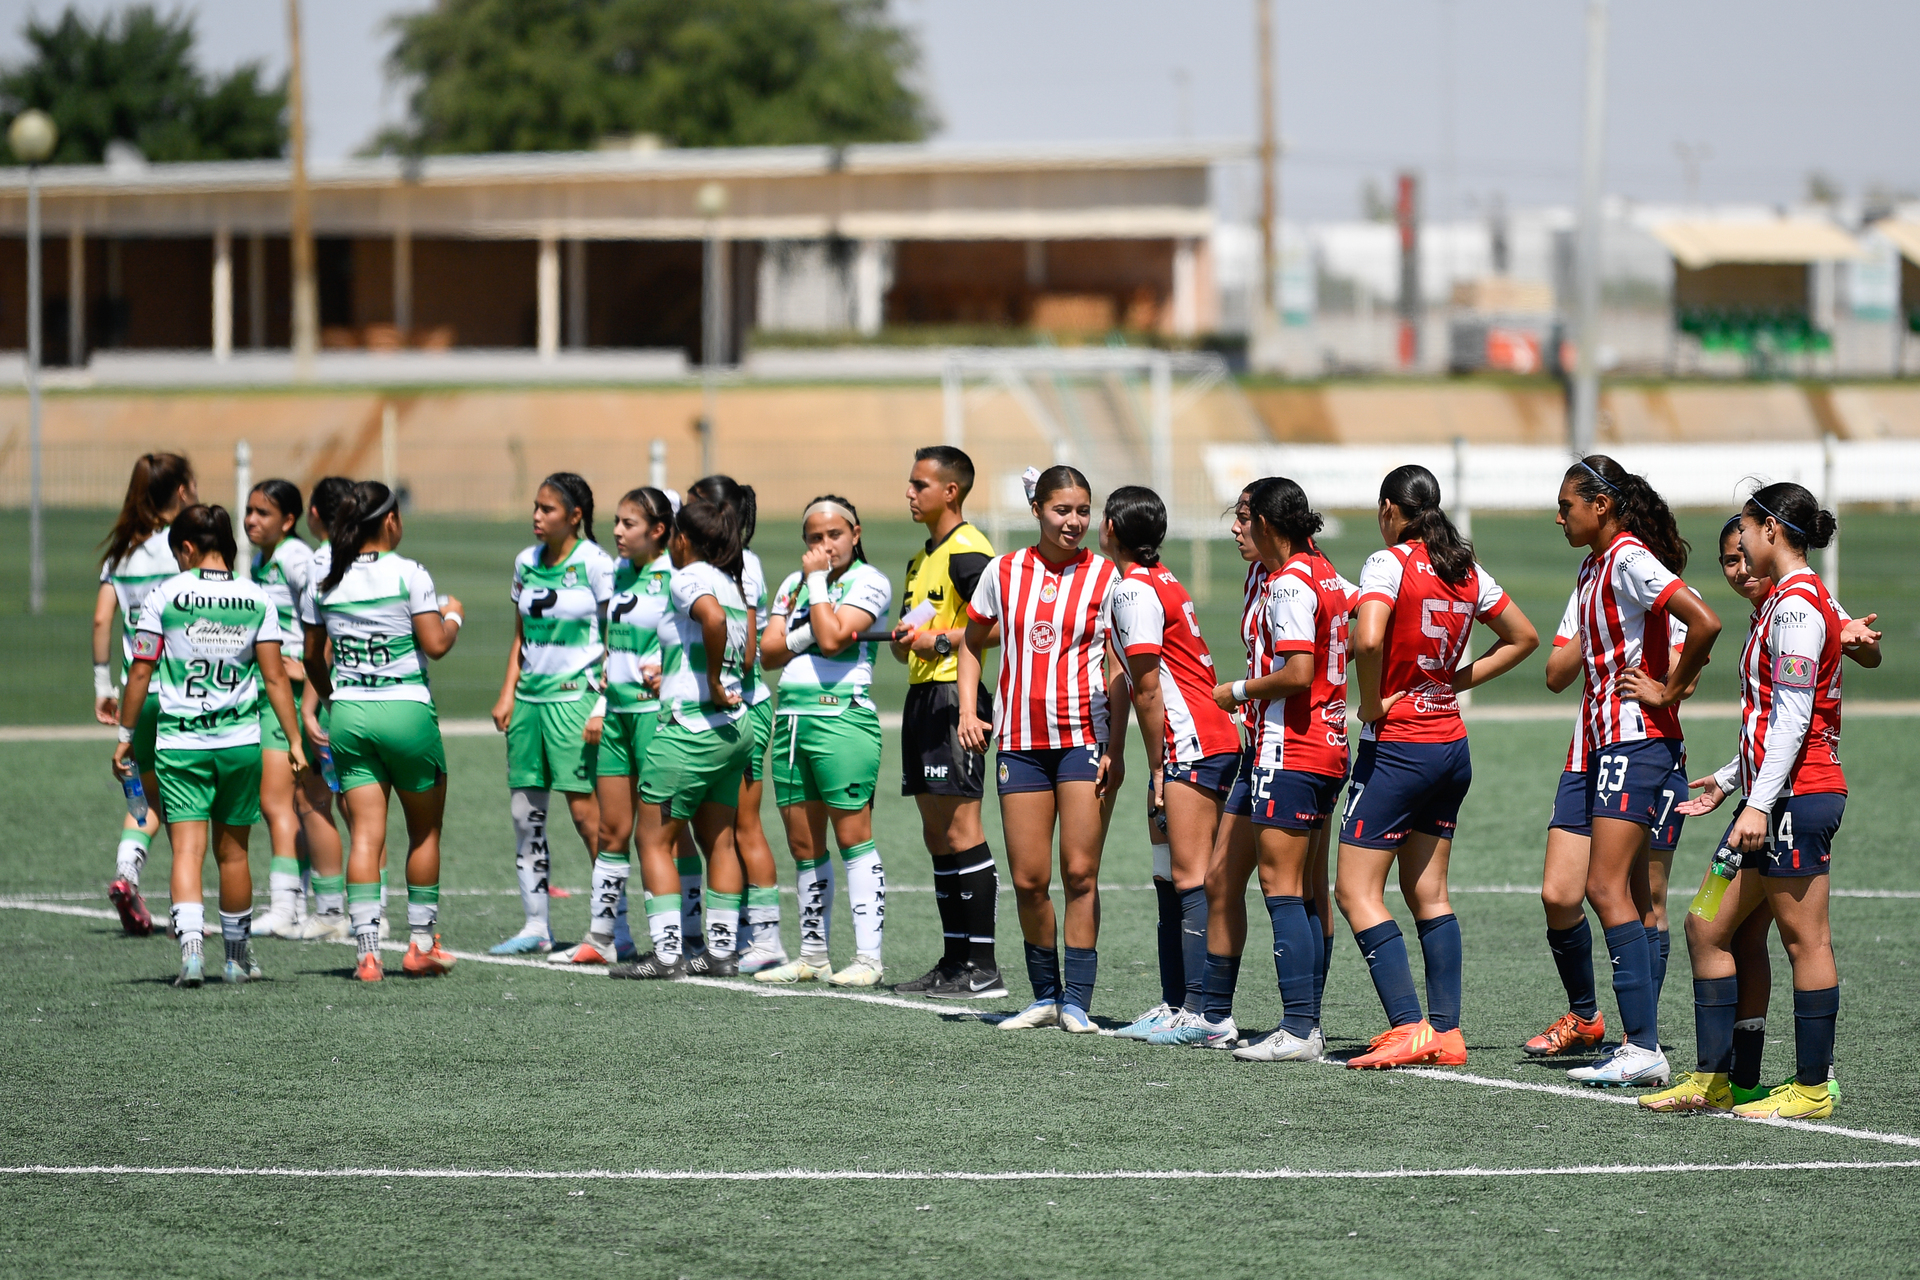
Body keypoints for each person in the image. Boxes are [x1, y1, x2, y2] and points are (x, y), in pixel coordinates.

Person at [1642, 494, 1878, 1119]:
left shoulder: (1797, 607)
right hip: (1773, 795)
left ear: (1770, 529)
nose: (1740, 545)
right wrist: (1727, 782)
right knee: (1707, 922)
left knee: (1806, 939)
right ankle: (1721, 1078)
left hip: (1796, 797)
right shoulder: (1796, 599)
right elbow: (1848, 660)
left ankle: (1812, 1086)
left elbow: (1795, 718)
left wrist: (1759, 804)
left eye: (1744, 529)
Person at [1336, 464, 1539, 1070]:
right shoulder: (1464, 568)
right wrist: (1454, 681)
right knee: (1428, 890)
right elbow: (1523, 637)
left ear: (1390, 510)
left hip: (1399, 747)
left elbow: (1368, 640)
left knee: (1354, 891)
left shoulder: (1388, 562)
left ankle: (1407, 1025)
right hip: (1451, 744)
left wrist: (1370, 702)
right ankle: (1446, 1032)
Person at [1551, 456, 1721, 1088]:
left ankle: (1643, 1045)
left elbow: (1704, 621)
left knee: (1609, 888)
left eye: (1566, 503)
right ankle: (1638, 1043)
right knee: (1610, 890)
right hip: (1606, 743)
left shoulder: (1625, 557)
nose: (1558, 514)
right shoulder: (1594, 566)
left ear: (1600, 505)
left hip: (1638, 741)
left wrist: (1669, 689)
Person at [1166, 477, 1349, 1061]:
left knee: (1285, 888)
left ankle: (1300, 1028)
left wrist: (1237, 691)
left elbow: (1298, 673)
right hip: (1271, 747)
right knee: (1223, 876)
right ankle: (1215, 1016)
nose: (1235, 528)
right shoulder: (1308, 574)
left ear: (1269, 523)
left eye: (1243, 518)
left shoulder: (1294, 582)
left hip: (1293, 747)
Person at [111, 504, 306, 985]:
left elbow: (141, 670)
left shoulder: (166, 595)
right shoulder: (256, 597)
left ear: (188, 547)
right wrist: (296, 739)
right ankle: (237, 959)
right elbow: (276, 677)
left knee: (187, 851)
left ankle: (192, 955)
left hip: (181, 744)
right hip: (240, 742)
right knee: (234, 853)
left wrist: (124, 737)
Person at [958, 465, 1121, 1034]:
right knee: (1028, 879)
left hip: (1081, 741)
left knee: (1080, 873)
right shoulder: (1003, 571)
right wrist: (967, 710)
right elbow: (971, 643)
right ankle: (1044, 997)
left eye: (1082, 511)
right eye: (1061, 510)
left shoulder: (1107, 576)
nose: (1073, 522)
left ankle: (1077, 1000)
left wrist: (1115, 746)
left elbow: (1122, 667)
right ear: (1037, 510)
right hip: (1020, 745)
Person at [1092, 486, 1242, 1045]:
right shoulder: (1161, 579)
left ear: (1110, 527)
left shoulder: (1133, 591)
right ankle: (1177, 1004)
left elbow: (1150, 689)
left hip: (1192, 745)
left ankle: (1206, 1017)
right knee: (1167, 874)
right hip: (1202, 738)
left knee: (1191, 876)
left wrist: (1156, 767)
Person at [1528, 578, 1701, 1053]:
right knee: (1559, 895)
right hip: (1586, 756)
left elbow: (1685, 678)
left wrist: (1662, 689)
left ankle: (1639, 1036)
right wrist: (1597, 620)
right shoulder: (1588, 586)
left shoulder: (1665, 592)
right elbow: (1556, 674)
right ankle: (1586, 1017)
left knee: (1649, 896)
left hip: (1646, 752)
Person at [302, 481, 464, 982]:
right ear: (390, 521)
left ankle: (367, 954)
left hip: (350, 715)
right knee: (423, 831)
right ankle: (420, 946)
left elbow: (311, 656)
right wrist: (454, 614)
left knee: (366, 836)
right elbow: (435, 644)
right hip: (407, 712)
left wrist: (334, 697)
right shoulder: (409, 573)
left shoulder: (326, 579)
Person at [611, 499, 756, 979]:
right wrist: (708, 675)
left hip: (690, 730)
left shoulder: (688, 576)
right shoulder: (734, 579)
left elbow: (711, 621)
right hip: (733, 729)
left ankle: (667, 955)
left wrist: (710, 680)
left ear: (683, 540)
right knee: (719, 838)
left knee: (652, 840)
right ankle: (720, 952)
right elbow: (746, 648)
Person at [757, 495, 893, 985]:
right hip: (791, 722)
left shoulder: (869, 581)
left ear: (855, 534)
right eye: (814, 538)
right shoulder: (792, 585)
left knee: (853, 838)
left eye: (834, 535)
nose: (824, 545)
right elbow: (768, 653)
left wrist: (816, 589)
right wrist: (806, 631)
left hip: (843, 721)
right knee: (803, 844)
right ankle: (813, 955)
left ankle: (868, 960)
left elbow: (836, 640)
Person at [890, 445, 1004, 999]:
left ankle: (983, 967)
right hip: (921, 700)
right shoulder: (922, 557)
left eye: (919, 485)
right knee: (937, 836)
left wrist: (939, 640)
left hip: (953, 700)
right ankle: (955, 960)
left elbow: (999, 625)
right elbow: (920, 632)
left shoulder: (967, 550)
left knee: (963, 831)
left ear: (950, 491)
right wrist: (909, 639)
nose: (909, 494)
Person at [490, 474, 616, 955]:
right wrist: (507, 694)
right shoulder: (525, 561)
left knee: (589, 819)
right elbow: (520, 636)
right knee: (526, 817)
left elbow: (616, 638)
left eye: (548, 509)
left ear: (575, 516)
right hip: (529, 704)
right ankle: (535, 926)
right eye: (536, 508)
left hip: (574, 703)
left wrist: (602, 703)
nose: (537, 517)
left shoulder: (597, 565)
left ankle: (611, 931)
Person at [566, 486, 677, 967]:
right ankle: (603, 936)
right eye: (615, 522)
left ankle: (673, 942)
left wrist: (671, 677)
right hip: (616, 715)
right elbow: (614, 643)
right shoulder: (619, 572)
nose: (616, 531)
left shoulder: (676, 576)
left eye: (628, 524)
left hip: (656, 718)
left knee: (658, 835)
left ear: (657, 531)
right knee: (613, 829)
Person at [96, 452, 196, 936]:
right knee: (185, 803)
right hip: (177, 690)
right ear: (180, 492)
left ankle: (127, 872)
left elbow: (101, 619)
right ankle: (188, 914)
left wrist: (102, 687)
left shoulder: (121, 552)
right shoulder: (180, 549)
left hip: (136, 694)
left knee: (144, 795)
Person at [685, 475, 783, 967]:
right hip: (722, 704)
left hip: (743, 703)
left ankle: (766, 940)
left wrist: (719, 683)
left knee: (744, 825)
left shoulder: (742, 565)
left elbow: (746, 654)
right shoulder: (713, 567)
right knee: (714, 828)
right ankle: (734, 930)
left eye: (694, 505)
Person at [243, 479, 334, 939]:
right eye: (249, 511)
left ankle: (291, 908)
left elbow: (327, 619)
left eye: (263, 513)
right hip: (273, 691)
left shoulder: (297, 559)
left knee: (282, 801)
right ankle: (301, 906)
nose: (252, 520)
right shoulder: (264, 559)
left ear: (290, 520)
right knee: (297, 803)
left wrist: (306, 666)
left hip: (296, 697)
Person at [289, 476, 360, 941]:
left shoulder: (321, 561)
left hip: (336, 698)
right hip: (381, 699)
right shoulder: (380, 562)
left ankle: (333, 911)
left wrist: (313, 704)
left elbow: (325, 644)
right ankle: (372, 912)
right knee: (363, 809)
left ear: (315, 515)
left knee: (314, 799)